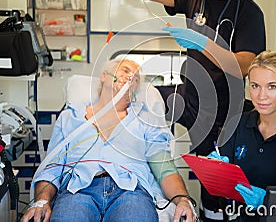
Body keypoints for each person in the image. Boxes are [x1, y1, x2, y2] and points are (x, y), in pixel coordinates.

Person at [113, 0, 266, 218]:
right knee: (146, 98)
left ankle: (211, 214)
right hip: (190, 94)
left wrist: (202, 42)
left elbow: (243, 65)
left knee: (214, 183)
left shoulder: (249, 13)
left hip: (223, 109)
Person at [20, 58, 195, 222]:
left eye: (135, 79)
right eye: (125, 71)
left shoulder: (145, 121)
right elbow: (52, 167)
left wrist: (183, 200)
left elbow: (164, 167)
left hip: (131, 191)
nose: (129, 78)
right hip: (77, 190)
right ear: (104, 76)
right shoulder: (71, 118)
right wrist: (41, 201)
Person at [208, 51, 276, 221]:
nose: (261, 96)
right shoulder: (238, 123)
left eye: (272, 87)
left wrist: (268, 202)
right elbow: (221, 181)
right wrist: (214, 169)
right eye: (255, 86)